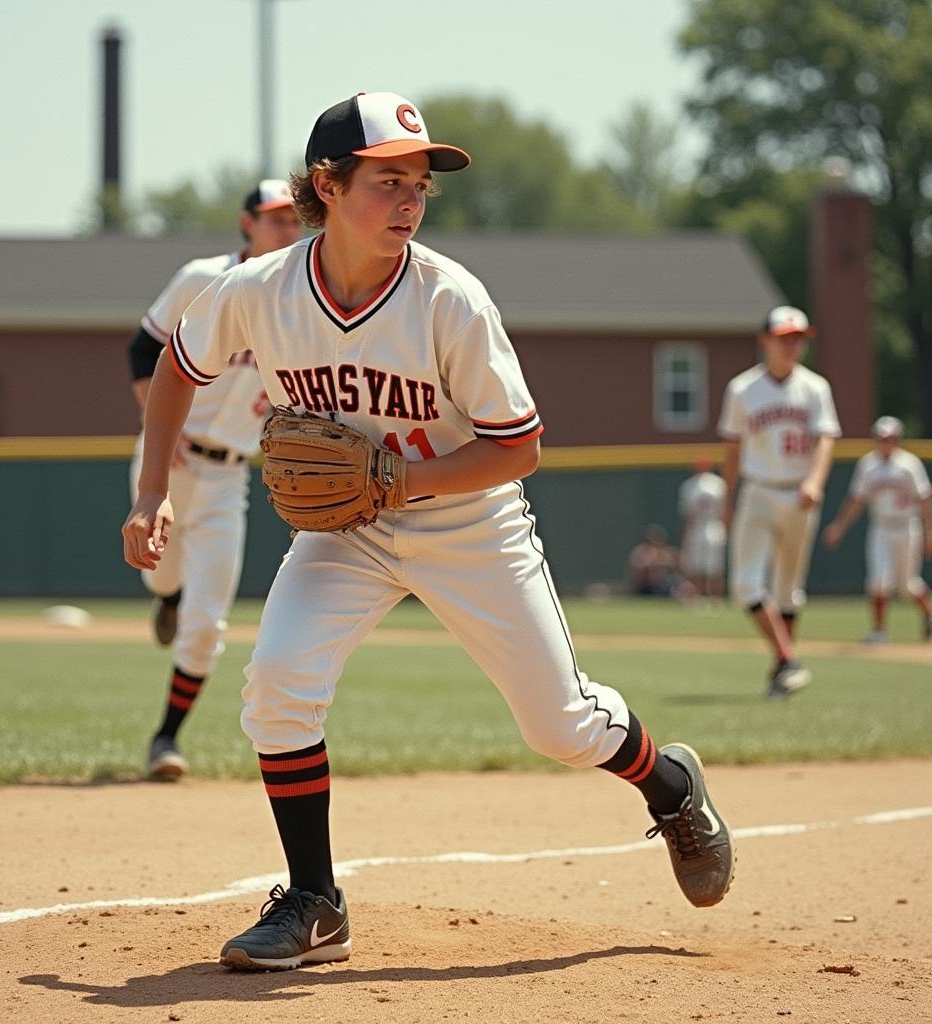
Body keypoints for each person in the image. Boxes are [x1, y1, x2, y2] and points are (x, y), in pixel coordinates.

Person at [122, 91, 734, 971]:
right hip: (348, 532)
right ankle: (315, 901)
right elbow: (179, 367)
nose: (410, 199)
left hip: (467, 522)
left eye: (420, 184)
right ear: (326, 187)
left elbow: (518, 447)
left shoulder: (450, 300)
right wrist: (152, 495)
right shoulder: (258, 291)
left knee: (558, 725)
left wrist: (398, 478)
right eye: (387, 180)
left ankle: (671, 789)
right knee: (278, 687)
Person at [126, 180, 302, 780]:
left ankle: (165, 739)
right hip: (166, 465)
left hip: (231, 477)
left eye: (293, 219)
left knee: (207, 626)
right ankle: (166, 597)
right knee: (161, 576)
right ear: (246, 223)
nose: (287, 228)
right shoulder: (203, 278)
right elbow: (140, 350)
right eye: (274, 218)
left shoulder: (298, 299)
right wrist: (160, 431)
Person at [718, 305, 841, 699]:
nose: (792, 346)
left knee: (789, 588)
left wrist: (815, 481)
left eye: (798, 339)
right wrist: (728, 497)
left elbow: (826, 439)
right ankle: (789, 659)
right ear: (765, 340)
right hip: (758, 489)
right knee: (744, 584)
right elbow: (733, 449)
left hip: (800, 493)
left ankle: (781, 669)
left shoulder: (815, 388)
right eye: (785, 338)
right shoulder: (742, 388)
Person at [821, 415, 932, 643]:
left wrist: (929, 531)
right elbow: (857, 500)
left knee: (907, 586)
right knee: (878, 581)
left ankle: (929, 613)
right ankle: (879, 631)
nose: (885, 442)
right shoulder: (868, 465)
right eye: (881, 438)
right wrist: (839, 526)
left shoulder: (909, 464)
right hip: (881, 528)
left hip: (907, 527)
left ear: (898, 439)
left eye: (890, 437)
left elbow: (924, 500)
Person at [677, 454, 728, 602]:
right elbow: (688, 515)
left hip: (714, 525)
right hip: (697, 527)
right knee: (696, 566)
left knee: (714, 567)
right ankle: (698, 598)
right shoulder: (689, 486)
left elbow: (725, 510)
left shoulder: (718, 484)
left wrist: (726, 528)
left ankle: (714, 599)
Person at [628, 524, 681, 597]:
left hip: (662, 585)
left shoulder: (664, 552)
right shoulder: (640, 551)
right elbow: (637, 570)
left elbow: (676, 567)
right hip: (644, 587)